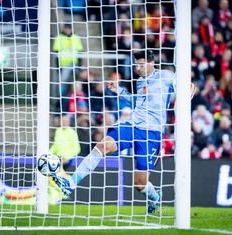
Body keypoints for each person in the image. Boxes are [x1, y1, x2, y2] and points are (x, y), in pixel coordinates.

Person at [52, 50, 194, 214]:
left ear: (151, 63)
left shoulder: (166, 76)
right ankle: (71, 183)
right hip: (132, 125)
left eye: (141, 65)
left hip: (152, 134)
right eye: (136, 65)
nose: (138, 68)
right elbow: (137, 102)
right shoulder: (140, 81)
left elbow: (187, 86)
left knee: (139, 184)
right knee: (102, 146)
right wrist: (120, 91)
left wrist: (187, 91)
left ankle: (155, 197)